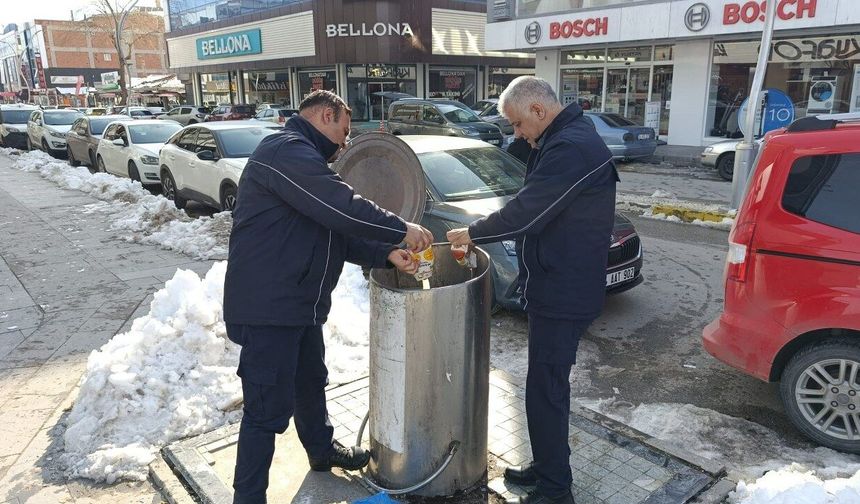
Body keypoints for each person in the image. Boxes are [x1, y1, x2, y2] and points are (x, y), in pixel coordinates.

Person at [223, 90, 433, 504]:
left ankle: (320, 451)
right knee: (266, 410)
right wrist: (398, 229)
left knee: (310, 382)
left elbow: (333, 236)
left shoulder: (307, 162)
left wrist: (386, 254)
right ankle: (248, 498)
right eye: (343, 130)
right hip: (269, 310)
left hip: (299, 307)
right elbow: (342, 206)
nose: (344, 143)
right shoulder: (285, 151)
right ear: (324, 114)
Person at [447, 76, 619, 504]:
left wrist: (471, 233)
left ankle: (556, 490)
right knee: (543, 387)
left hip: (564, 291)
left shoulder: (570, 147)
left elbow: (526, 213)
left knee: (546, 391)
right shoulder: (564, 138)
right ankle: (546, 469)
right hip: (557, 283)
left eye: (518, 125)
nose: (517, 134)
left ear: (539, 110)